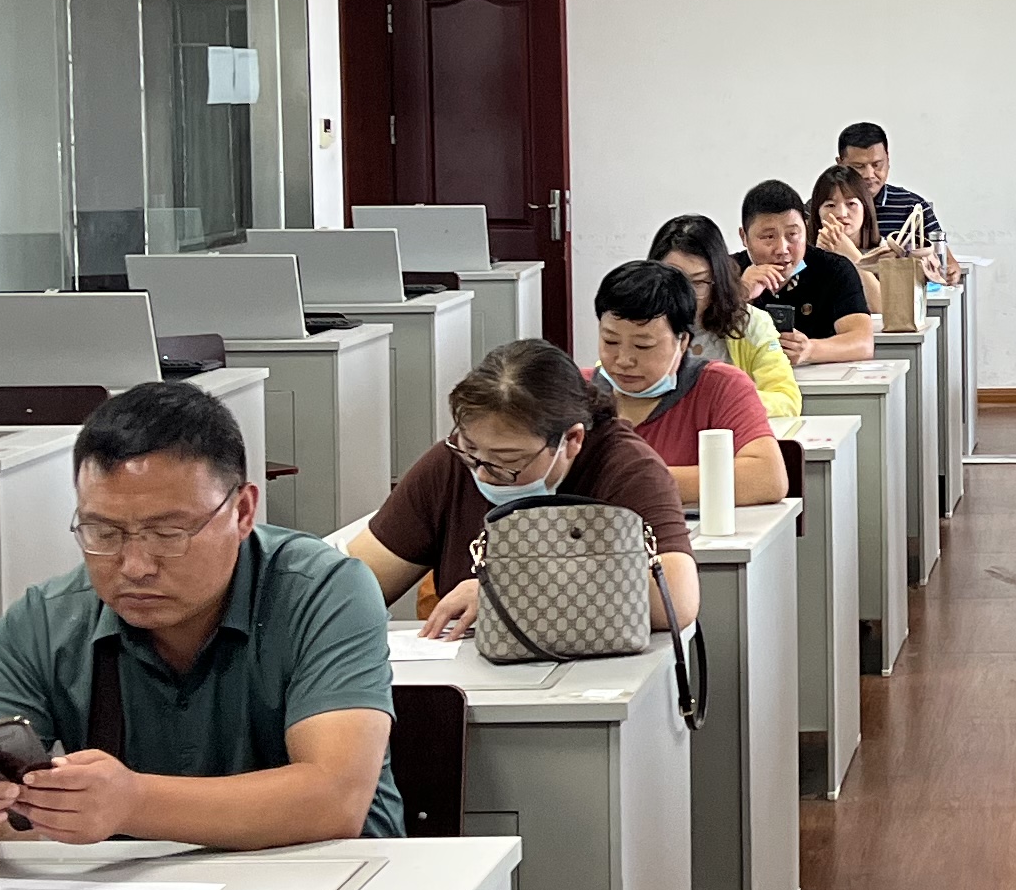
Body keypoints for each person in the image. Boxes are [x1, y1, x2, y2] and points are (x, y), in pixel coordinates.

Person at [0, 379, 398, 847]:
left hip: (331, 884)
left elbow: (334, 799)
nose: (134, 567)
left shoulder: (324, 591)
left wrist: (132, 802)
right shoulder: (51, 618)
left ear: (243, 511)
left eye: (167, 533)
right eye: (103, 532)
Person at [343, 335, 702, 640]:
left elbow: (676, 598)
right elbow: (357, 584)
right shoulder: (453, 464)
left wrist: (511, 595)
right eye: (471, 450)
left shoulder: (625, 469)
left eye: (508, 461)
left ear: (571, 440)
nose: (483, 474)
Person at [589, 255, 785, 513]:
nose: (624, 360)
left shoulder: (719, 387)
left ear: (682, 342)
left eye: (643, 346)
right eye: (610, 342)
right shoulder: (576, 390)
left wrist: (630, 482)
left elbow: (767, 478)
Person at [652, 210, 800, 422]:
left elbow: (786, 400)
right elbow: (611, 390)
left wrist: (720, 399)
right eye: (675, 282)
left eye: (699, 282)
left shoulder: (750, 323)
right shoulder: (638, 322)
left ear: (717, 280)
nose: (686, 295)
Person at [743, 174, 876, 364]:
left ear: (805, 229)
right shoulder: (725, 271)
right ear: (744, 237)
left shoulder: (834, 269)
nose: (782, 249)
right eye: (768, 237)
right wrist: (739, 294)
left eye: (792, 234)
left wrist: (811, 350)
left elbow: (862, 343)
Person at [835, 123, 945, 255]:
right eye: (858, 166)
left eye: (877, 165)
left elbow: (946, 262)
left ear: (888, 160)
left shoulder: (913, 207)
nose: (869, 174)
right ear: (840, 164)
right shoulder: (823, 206)